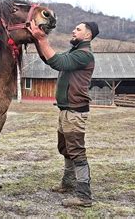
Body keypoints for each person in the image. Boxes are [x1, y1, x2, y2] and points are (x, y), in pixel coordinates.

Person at [30, 20, 99, 207]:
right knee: (65, 148)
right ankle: (68, 183)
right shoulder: (75, 53)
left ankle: (84, 196)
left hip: (75, 112)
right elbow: (50, 59)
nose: (73, 30)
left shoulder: (84, 55)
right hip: (65, 110)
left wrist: (43, 39)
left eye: (78, 29)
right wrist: (37, 40)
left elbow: (58, 62)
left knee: (76, 152)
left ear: (88, 35)